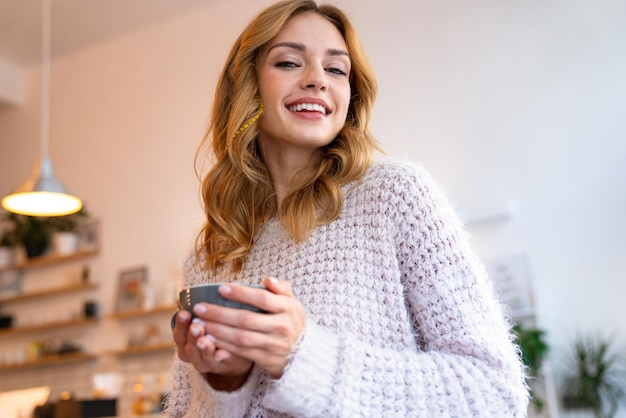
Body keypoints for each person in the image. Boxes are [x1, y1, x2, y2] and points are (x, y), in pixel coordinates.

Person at [167, 0, 529, 416]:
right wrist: (224, 383)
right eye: (289, 62)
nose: (318, 80)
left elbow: (494, 394)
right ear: (248, 83)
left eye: (337, 70)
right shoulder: (210, 254)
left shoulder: (396, 197)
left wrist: (303, 356)